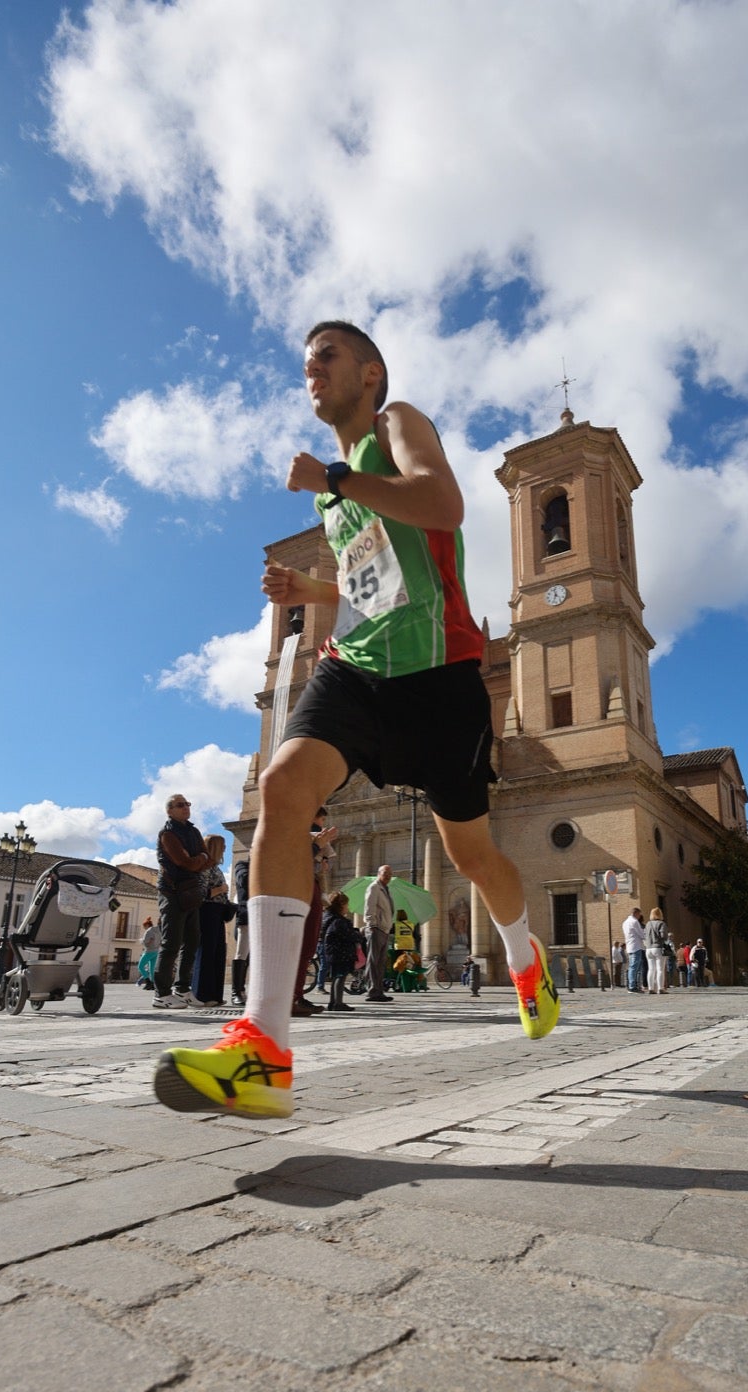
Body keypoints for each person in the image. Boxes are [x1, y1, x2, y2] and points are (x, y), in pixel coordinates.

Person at [153, 321, 558, 1119]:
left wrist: (337, 477)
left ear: (369, 373)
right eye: (306, 363)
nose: (312, 369)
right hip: (357, 668)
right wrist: (316, 597)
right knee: (283, 787)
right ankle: (263, 1047)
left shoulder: (394, 426)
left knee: (472, 855)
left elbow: (442, 505)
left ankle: (523, 957)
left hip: (440, 677)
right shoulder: (334, 498)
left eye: (327, 356)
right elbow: (381, 582)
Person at [152, 795, 208, 1009]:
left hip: (191, 892)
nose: (186, 808)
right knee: (171, 943)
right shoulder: (168, 833)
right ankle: (161, 994)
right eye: (180, 805)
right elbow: (183, 861)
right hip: (172, 891)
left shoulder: (193, 831)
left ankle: (183, 989)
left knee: (192, 941)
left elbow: (206, 856)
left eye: (187, 804)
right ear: (170, 811)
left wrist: (198, 859)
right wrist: (197, 859)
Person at [293, 807, 337, 1019]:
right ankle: (292, 997)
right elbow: (296, 861)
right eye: (321, 818)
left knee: (308, 946)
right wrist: (317, 846)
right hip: (302, 889)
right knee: (302, 946)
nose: (322, 823)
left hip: (311, 888)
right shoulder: (301, 833)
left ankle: (297, 995)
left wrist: (321, 861)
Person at [191, 835, 234, 1007]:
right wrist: (221, 889)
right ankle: (202, 994)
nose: (225, 848)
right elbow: (201, 892)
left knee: (218, 952)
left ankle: (215, 994)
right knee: (207, 952)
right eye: (222, 845)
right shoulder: (205, 866)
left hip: (217, 912)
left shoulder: (215, 866)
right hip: (207, 911)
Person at [321, 891, 361, 1012]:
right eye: (346, 905)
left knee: (336, 976)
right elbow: (346, 935)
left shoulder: (330, 918)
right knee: (340, 976)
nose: (347, 908)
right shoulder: (338, 921)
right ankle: (338, 1003)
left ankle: (333, 1002)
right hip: (340, 952)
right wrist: (357, 935)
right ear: (341, 905)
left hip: (334, 952)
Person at [363, 863, 396, 1003]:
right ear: (378, 874)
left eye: (389, 875)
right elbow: (369, 908)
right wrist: (373, 925)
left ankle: (378, 990)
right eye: (385, 874)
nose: (388, 877)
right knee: (373, 961)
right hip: (376, 929)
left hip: (384, 930)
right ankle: (372, 991)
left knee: (380, 963)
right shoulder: (374, 887)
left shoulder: (385, 889)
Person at [231, 856, 249, 1006]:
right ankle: (236, 991)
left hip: (265, 915)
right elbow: (244, 880)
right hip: (247, 914)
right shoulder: (242, 865)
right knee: (241, 953)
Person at [642, 906, 670, 994]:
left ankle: (650, 988)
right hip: (658, 948)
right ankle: (660, 988)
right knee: (660, 969)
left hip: (648, 949)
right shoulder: (661, 923)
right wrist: (666, 936)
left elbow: (644, 935)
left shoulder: (648, 924)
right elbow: (663, 936)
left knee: (651, 969)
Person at [622, 908, 645, 993]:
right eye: (639, 914)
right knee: (634, 967)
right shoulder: (634, 922)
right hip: (636, 946)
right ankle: (632, 986)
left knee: (632, 966)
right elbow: (641, 934)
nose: (639, 917)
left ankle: (632, 985)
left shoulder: (625, 922)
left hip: (629, 946)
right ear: (636, 913)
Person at [136, 917, 159, 990]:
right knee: (152, 969)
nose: (144, 928)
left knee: (140, 966)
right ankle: (152, 984)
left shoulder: (149, 931)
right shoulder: (158, 931)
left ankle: (148, 982)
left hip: (149, 951)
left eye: (144, 926)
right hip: (156, 951)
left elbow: (146, 941)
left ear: (147, 925)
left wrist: (141, 941)